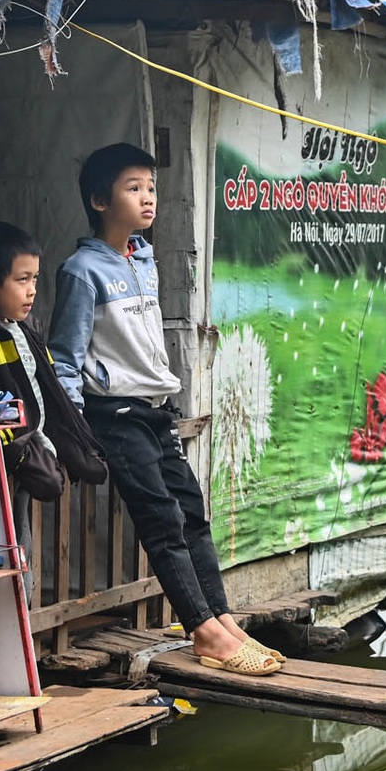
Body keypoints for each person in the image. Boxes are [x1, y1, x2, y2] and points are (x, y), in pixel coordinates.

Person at [47, 143, 282, 675]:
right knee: (162, 520)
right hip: (116, 415)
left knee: (192, 513)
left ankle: (222, 619)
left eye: (151, 187)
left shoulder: (144, 259)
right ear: (100, 201)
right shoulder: (81, 271)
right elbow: (65, 358)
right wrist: (76, 430)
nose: (148, 197)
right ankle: (203, 632)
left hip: (157, 409)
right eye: (133, 188)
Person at [0, 221, 107, 501]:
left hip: (41, 440)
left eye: (35, 279)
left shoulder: (30, 328)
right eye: (22, 279)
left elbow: (50, 388)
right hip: (14, 455)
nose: (32, 290)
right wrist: (24, 455)